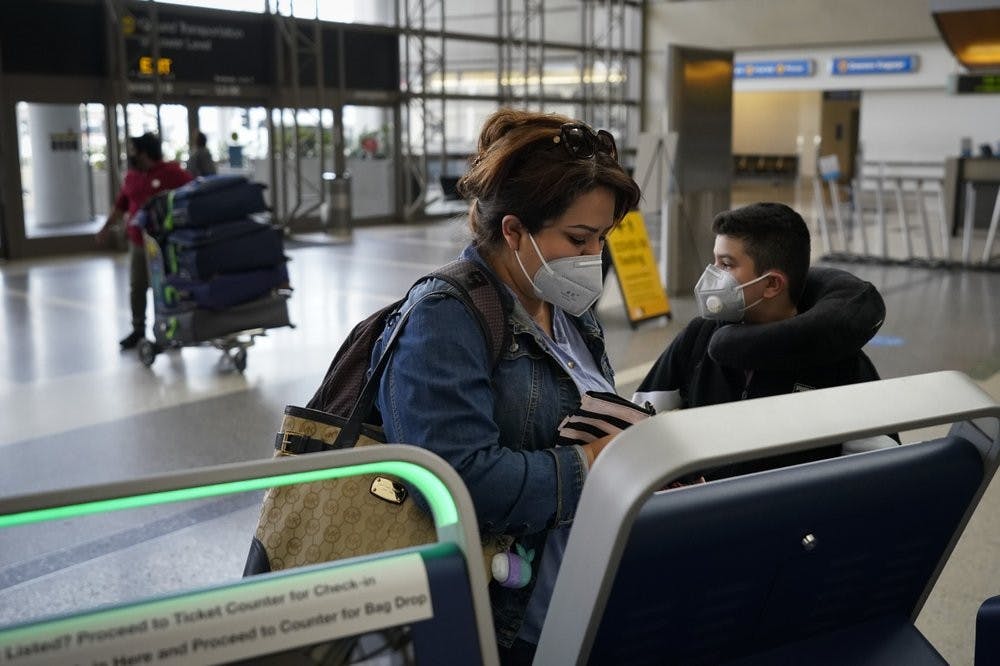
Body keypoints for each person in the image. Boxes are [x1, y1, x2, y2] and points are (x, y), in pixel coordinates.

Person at [367, 108, 640, 663]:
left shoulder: (567, 310)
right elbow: (451, 480)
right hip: (507, 625)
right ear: (513, 231)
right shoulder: (445, 317)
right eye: (580, 238)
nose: (595, 258)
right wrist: (591, 463)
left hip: (580, 601)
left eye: (603, 238)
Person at [632, 202, 889, 476]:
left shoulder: (841, 363)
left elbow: (879, 470)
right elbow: (633, 425)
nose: (712, 275)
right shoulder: (700, 337)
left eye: (726, 264)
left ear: (772, 284)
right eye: (714, 261)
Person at [96, 133, 192, 350]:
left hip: (165, 244)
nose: (131, 155)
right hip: (139, 243)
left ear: (145, 152)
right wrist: (104, 229)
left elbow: (192, 193)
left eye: (134, 150)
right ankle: (138, 329)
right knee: (137, 286)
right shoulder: (132, 177)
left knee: (168, 286)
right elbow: (121, 205)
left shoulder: (172, 173)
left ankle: (173, 326)